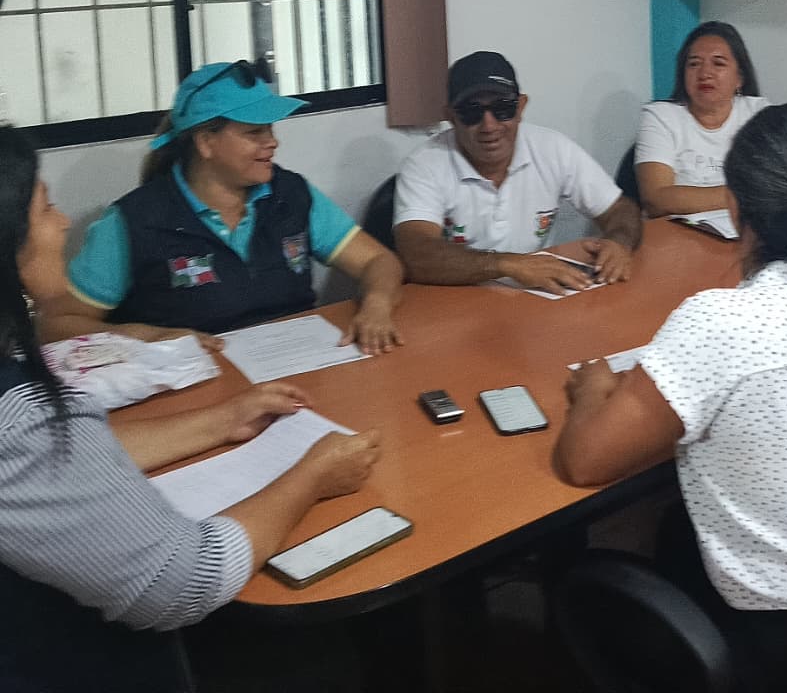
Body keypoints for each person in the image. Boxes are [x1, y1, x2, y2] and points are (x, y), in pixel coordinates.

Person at [0, 124, 380, 693]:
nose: (61, 223)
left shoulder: (290, 194)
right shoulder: (22, 412)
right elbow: (186, 580)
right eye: (46, 208)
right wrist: (314, 475)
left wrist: (222, 420)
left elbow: (60, 459)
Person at [554, 103, 787, 683]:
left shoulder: (719, 323)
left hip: (783, 633)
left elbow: (584, 462)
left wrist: (593, 391)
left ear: (733, 206)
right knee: (673, 524)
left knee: (600, 556)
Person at [40, 60, 404, 354]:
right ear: (205, 142)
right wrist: (146, 337)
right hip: (191, 390)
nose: (272, 143)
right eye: (254, 132)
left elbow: (378, 260)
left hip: (299, 371)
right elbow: (56, 326)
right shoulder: (134, 222)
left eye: (271, 129)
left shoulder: (291, 194)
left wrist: (376, 302)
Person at [394, 50, 642, 294]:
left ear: (521, 107)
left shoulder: (553, 148)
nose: (489, 125)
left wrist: (619, 242)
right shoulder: (425, 164)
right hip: (455, 301)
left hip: (535, 298)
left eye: (503, 108)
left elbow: (620, 209)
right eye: (471, 111)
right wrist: (507, 265)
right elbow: (416, 253)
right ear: (450, 116)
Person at [633, 20, 768, 217]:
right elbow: (656, 200)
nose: (705, 73)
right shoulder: (660, 116)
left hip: (742, 230)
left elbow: (778, 184)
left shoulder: (757, 113)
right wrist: (744, 195)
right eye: (694, 64)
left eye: (718, 63)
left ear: (739, 78)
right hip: (676, 231)